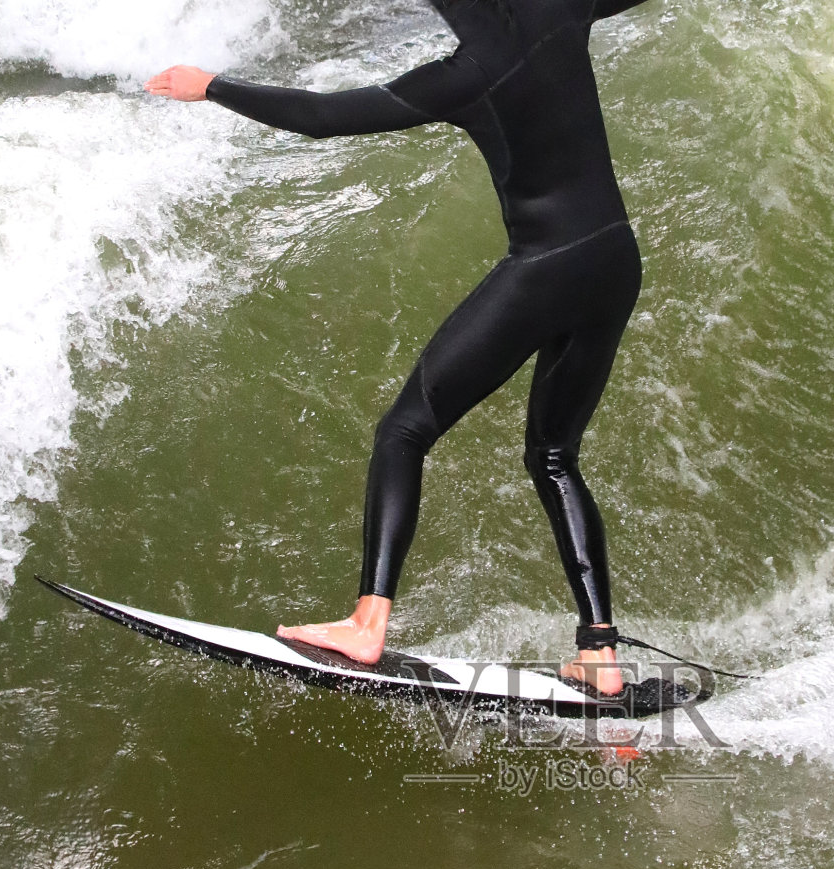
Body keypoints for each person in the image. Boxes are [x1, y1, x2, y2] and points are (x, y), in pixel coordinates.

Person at [148, 0, 653, 696]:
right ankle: (600, 652)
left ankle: (367, 622)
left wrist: (210, 85)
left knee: (404, 430)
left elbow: (325, 118)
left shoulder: (466, 74)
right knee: (556, 456)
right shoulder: (559, 9)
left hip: (547, 267)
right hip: (615, 259)